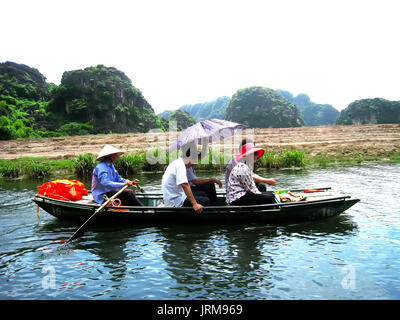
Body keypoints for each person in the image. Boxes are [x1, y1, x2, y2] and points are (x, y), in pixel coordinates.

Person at [162, 147, 210, 214]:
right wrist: (195, 204)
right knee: (206, 201)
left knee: (203, 194)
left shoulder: (177, 162)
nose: (194, 163)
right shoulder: (180, 166)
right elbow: (185, 185)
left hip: (176, 195)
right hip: (175, 200)